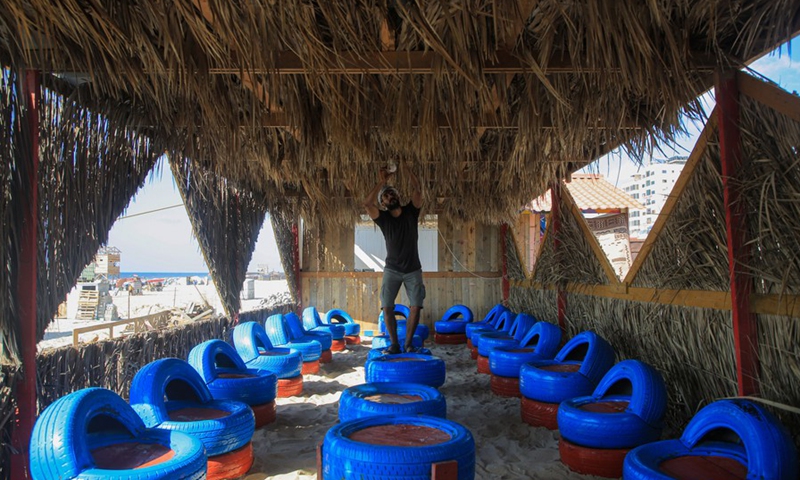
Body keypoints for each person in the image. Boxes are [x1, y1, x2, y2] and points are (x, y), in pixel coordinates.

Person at [364, 164, 425, 354]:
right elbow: (367, 204)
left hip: (413, 269)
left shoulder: (411, 212)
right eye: (385, 197)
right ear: (383, 203)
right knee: (387, 307)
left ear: (397, 196)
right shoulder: (383, 218)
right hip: (392, 269)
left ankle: (407, 345)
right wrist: (382, 182)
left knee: (416, 306)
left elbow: (419, 190)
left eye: (391, 194)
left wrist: (407, 170)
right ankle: (394, 344)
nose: (389, 197)